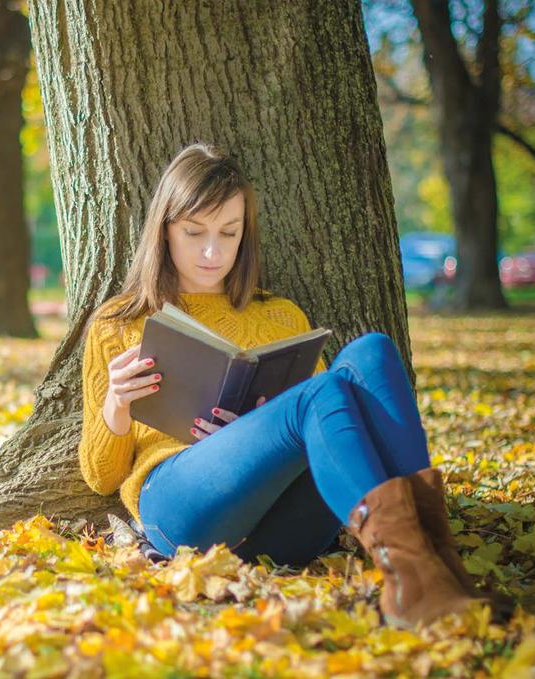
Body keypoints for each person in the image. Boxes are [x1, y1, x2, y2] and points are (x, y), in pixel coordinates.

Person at [78, 144, 511, 629]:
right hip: (182, 509)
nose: (211, 251)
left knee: (372, 354)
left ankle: (436, 565)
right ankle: (413, 582)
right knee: (319, 394)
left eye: (229, 233)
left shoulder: (280, 316)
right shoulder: (120, 322)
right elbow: (100, 477)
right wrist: (116, 404)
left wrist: (260, 430)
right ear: (163, 231)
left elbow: (338, 417)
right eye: (193, 232)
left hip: (286, 524)